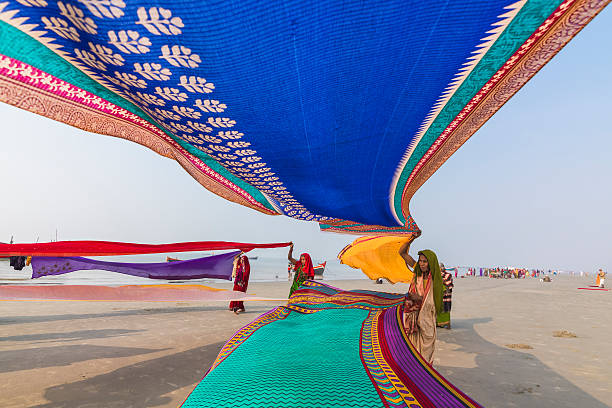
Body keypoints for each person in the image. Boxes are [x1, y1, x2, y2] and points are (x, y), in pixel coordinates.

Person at [399, 240, 444, 364]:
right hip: (413, 319)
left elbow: (435, 303)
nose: (422, 264)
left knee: (425, 353)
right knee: (411, 350)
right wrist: (411, 238)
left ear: (431, 263)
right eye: (420, 261)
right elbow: (402, 253)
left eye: (425, 261)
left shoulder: (436, 281)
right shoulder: (417, 271)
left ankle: (424, 374)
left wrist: (419, 299)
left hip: (426, 321)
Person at [437, 263, 453, 329]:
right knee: (439, 309)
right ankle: (439, 323)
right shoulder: (437, 275)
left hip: (446, 294)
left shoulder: (448, 275)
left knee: (446, 309)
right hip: (439, 295)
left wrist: (442, 281)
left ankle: (447, 324)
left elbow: (449, 284)